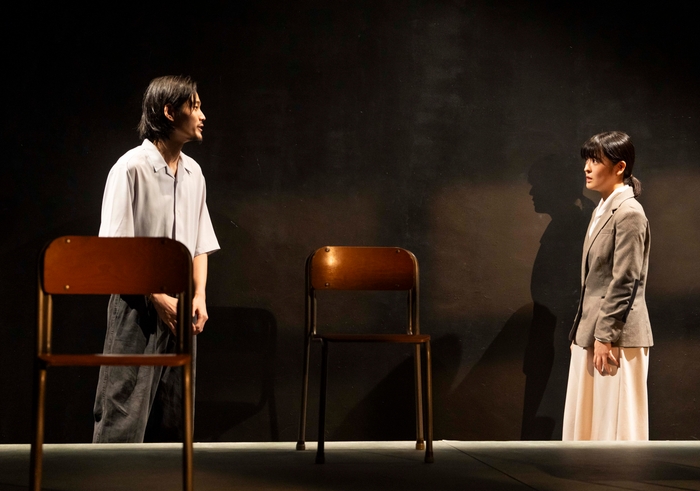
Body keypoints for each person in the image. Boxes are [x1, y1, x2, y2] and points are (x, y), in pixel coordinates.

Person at [93, 75, 220, 443]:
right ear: (169, 111)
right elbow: (116, 249)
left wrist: (199, 295)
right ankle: (110, 474)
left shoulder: (194, 173)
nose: (202, 115)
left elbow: (199, 243)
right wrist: (154, 296)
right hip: (137, 302)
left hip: (180, 305)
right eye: (194, 106)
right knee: (122, 414)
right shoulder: (130, 168)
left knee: (174, 419)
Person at [563, 131, 652, 441]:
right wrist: (585, 333)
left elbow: (625, 280)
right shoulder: (602, 210)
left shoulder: (629, 213)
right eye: (587, 160)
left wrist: (605, 335)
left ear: (620, 166)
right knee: (588, 427)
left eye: (595, 161)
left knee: (615, 430)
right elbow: (596, 280)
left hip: (616, 339)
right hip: (592, 333)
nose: (587, 168)